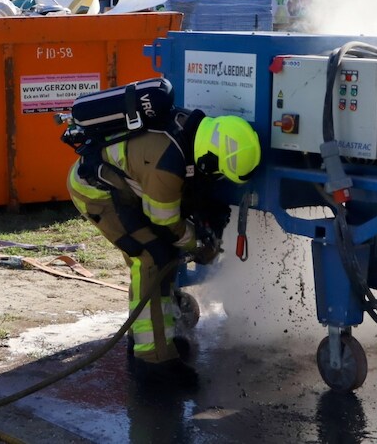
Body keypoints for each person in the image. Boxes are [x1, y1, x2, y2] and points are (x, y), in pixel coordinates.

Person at [67, 112, 261, 388]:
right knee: (151, 258)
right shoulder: (166, 163)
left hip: (124, 190)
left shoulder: (189, 135)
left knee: (159, 255)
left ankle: (145, 337)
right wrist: (200, 246)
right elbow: (165, 221)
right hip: (97, 195)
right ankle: (154, 363)